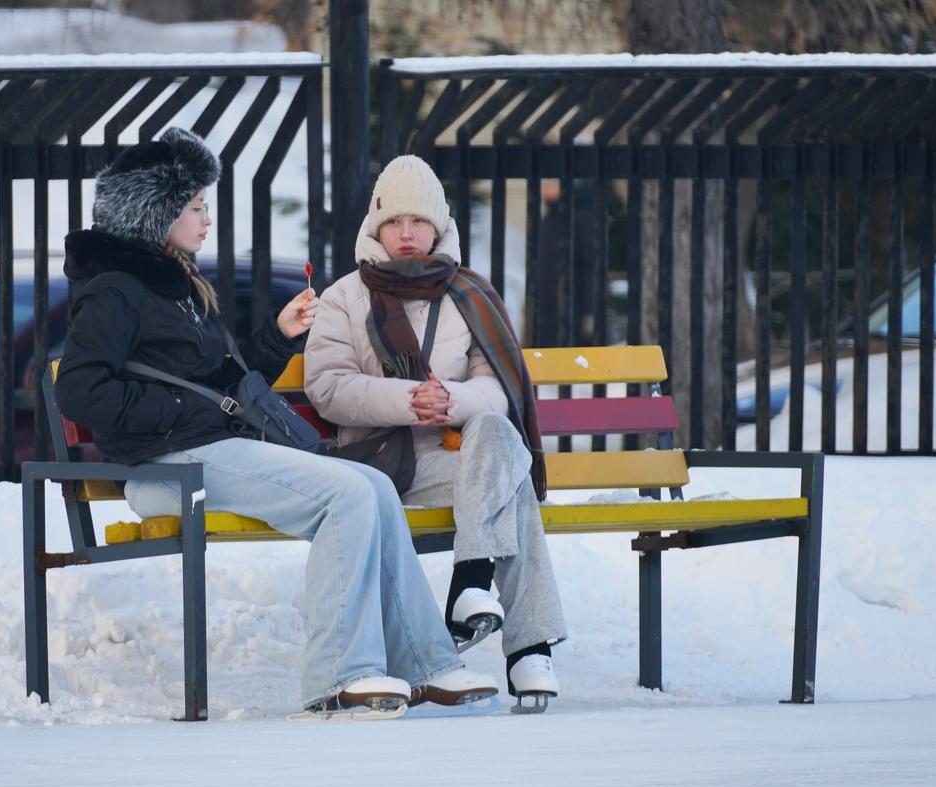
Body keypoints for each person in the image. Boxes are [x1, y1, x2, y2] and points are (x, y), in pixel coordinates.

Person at [54, 128, 496, 718]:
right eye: (195, 207)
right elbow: (80, 390)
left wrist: (275, 337)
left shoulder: (174, 286)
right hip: (165, 467)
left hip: (206, 452)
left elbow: (218, 385)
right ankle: (341, 674)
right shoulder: (114, 290)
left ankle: (427, 662)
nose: (207, 219)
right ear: (157, 213)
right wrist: (182, 412)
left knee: (373, 486)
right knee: (345, 495)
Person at [304, 154, 568, 713]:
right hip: (379, 464)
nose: (406, 233)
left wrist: (450, 400)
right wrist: (408, 400)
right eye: (395, 221)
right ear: (376, 225)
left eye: (418, 221)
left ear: (438, 226)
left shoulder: (467, 294)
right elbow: (328, 388)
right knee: (512, 482)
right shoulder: (344, 296)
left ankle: (473, 585)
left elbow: (496, 390)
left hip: (459, 459)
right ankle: (528, 647)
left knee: (496, 437)